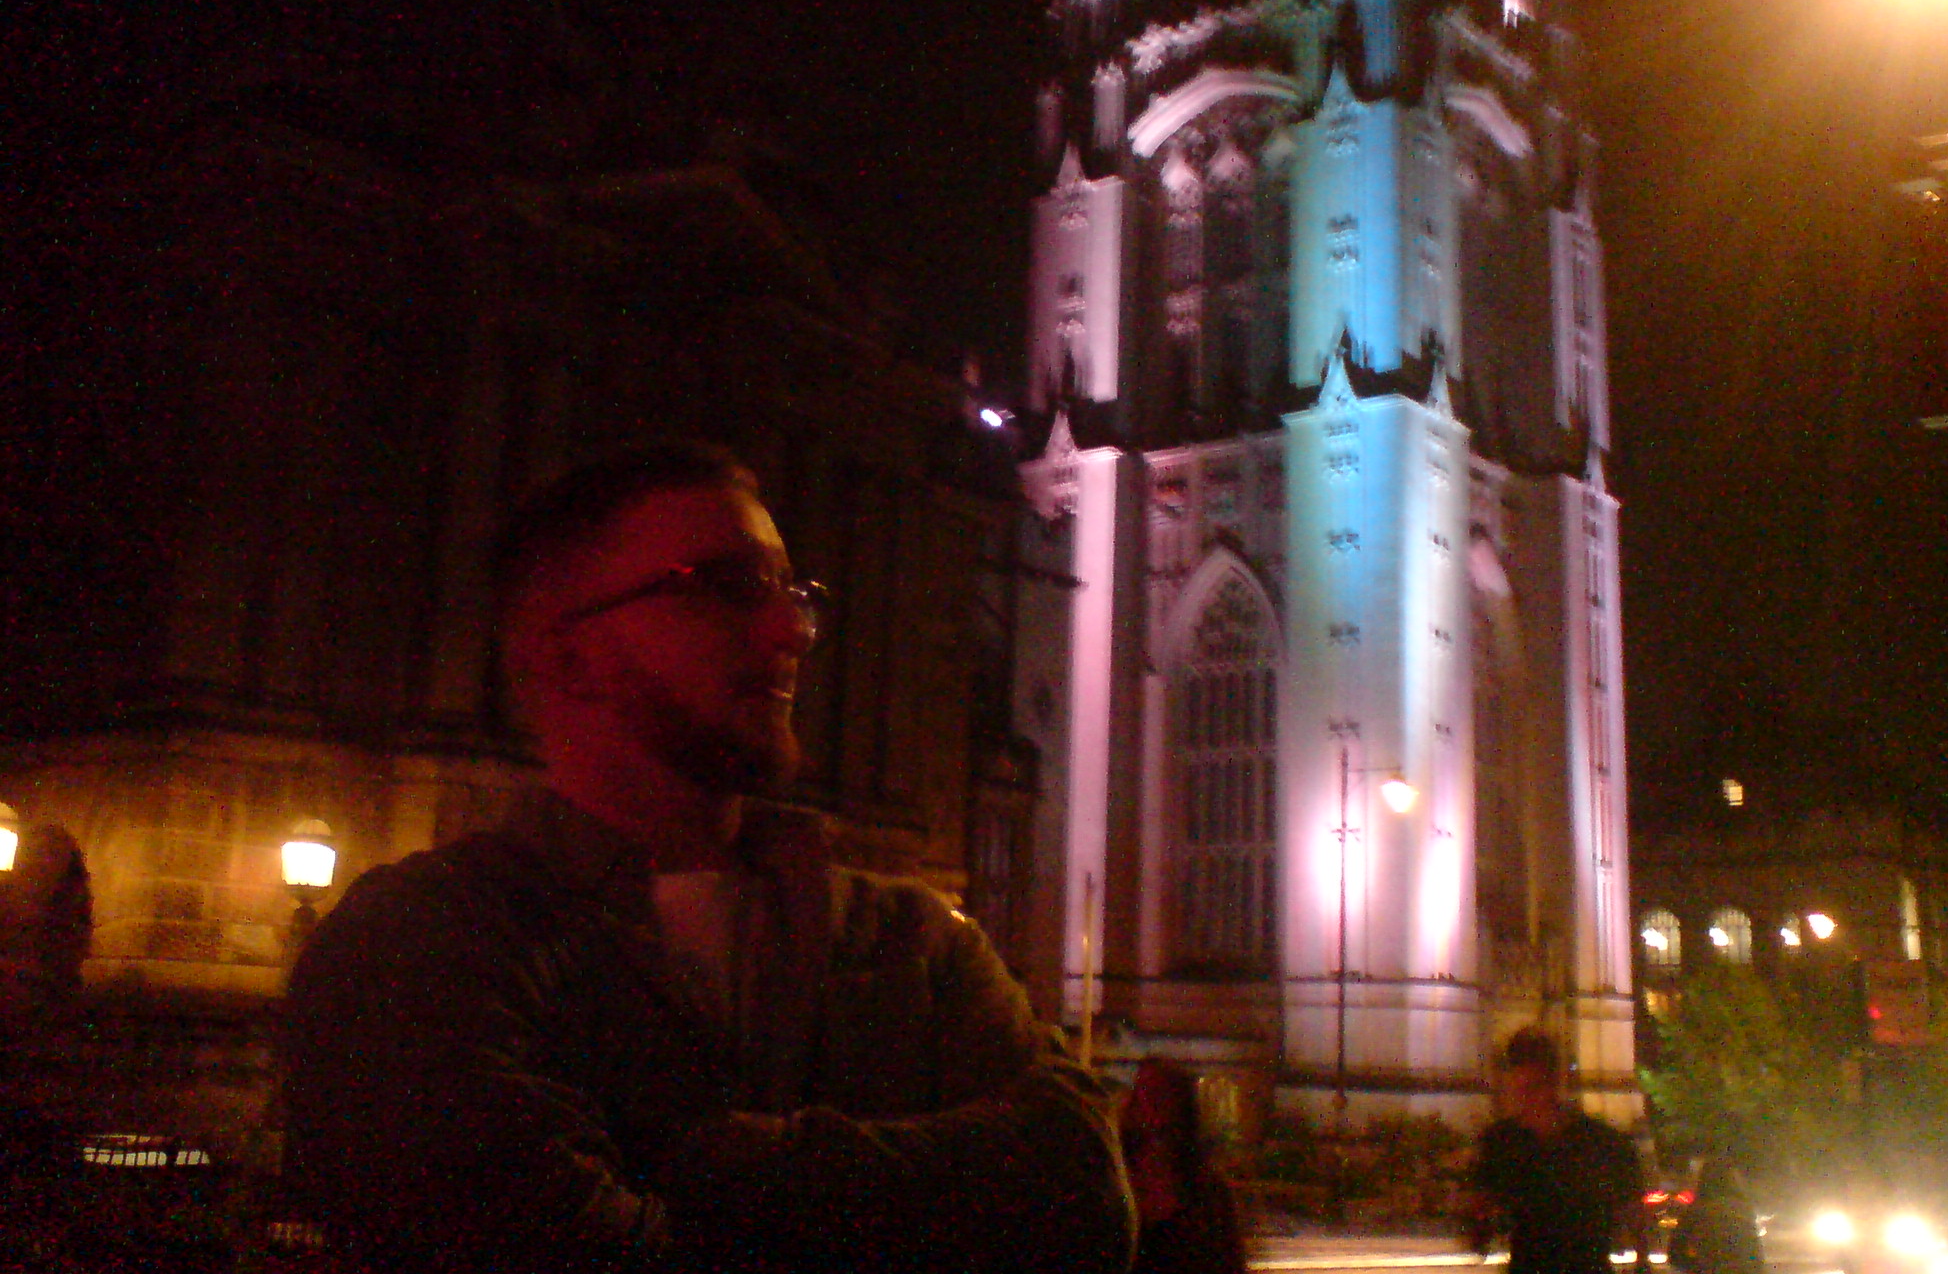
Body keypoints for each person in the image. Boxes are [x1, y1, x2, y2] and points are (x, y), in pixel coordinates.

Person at [283, 442, 1136, 1273]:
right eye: (729, 589)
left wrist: (725, 1166)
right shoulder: (420, 941)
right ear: (569, 656)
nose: (791, 632)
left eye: (793, 595)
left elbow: (1087, 1195)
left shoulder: (913, 941)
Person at [1469, 1028, 1646, 1274]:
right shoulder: (1602, 1141)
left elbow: (1632, 1210)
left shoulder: (1503, 1142)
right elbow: (1633, 1211)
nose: (1527, 1099)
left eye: (1531, 1088)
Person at [1122, 1059, 1249, 1274]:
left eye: (1155, 1093)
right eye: (1139, 1091)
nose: (1143, 1101)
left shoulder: (1206, 1187)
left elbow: (1228, 1258)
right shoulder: (1119, 1169)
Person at [1666, 1158, 1764, 1274]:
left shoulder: (1697, 1212)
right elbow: (1755, 1254)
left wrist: (1696, 1267)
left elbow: (1676, 1253)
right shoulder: (1743, 1210)